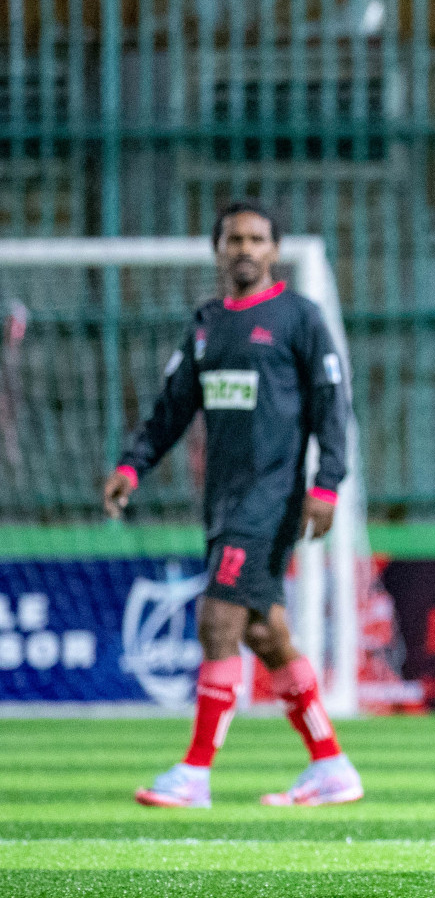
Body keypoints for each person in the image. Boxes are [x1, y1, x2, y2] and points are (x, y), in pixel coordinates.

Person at [104, 200, 363, 809]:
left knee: (217, 621)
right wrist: (130, 466)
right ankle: (331, 765)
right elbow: (171, 409)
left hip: (270, 498)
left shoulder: (299, 319)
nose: (244, 249)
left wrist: (326, 485)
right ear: (217, 249)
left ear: (275, 250)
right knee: (264, 633)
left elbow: (334, 406)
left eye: (255, 239)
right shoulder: (206, 326)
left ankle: (195, 772)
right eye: (233, 239)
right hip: (223, 501)